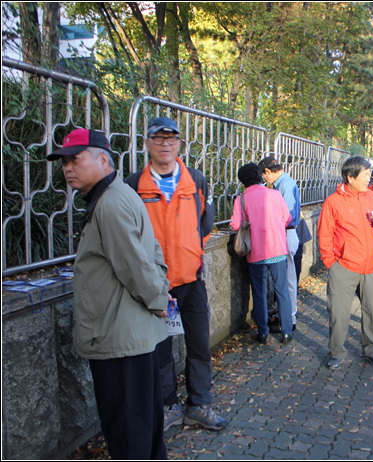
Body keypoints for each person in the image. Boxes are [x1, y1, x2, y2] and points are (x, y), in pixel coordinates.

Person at [48, 128, 169, 459]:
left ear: (103, 160)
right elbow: (152, 251)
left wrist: (159, 299)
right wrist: (160, 293)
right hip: (128, 335)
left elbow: (134, 265)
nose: (67, 168)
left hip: (119, 340)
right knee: (143, 428)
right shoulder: (118, 194)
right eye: (64, 163)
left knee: (129, 431)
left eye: (75, 159)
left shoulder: (110, 203)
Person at [125, 117, 226, 432]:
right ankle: (167, 406)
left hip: (191, 279)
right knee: (159, 349)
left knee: (199, 345)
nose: (165, 144)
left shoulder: (196, 180)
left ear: (180, 144)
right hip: (154, 285)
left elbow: (205, 223)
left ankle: (199, 405)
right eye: (158, 138)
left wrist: (191, 252)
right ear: (147, 143)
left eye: (171, 138)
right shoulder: (133, 185)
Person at [318, 156, 373, 371]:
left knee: (372, 311)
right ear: (350, 177)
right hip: (344, 267)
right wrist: (331, 263)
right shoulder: (333, 202)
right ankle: (336, 352)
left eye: (369, 174)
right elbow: (324, 234)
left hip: (370, 267)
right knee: (339, 313)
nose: (369, 179)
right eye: (365, 175)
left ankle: (372, 350)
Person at [230, 162, 294, 345]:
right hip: (277, 249)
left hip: (255, 253)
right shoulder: (274, 194)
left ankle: (263, 332)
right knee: (282, 291)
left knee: (258, 293)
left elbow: (235, 225)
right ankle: (286, 331)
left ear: (243, 182)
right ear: (259, 176)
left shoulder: (241, 199)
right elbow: (287, 219)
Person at [258, 156, 302, 331]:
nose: (264, 179)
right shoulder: (283, 183)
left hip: (286, 233)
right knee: (287, 279)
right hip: (286, 233)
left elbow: (288, 216)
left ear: (268, 171)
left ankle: (289, 319)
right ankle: (288, 317)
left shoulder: (284, 185)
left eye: (264, 175)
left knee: (288, 280)